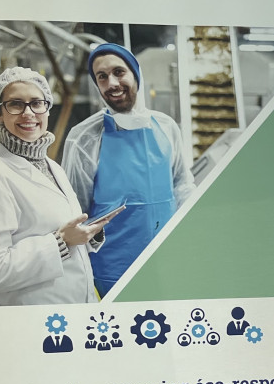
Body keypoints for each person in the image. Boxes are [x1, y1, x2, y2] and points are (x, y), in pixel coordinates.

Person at [0, 67, 113, 306]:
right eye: (15, 104)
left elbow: (54, 229)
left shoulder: (51, 166)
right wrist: (61, 242)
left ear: (47, 108)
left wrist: (84, 234)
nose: (28, 113)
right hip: (31, 320)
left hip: (74, 307)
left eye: (36, 103)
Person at [61, 43, 195, 295]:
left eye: (119, 72)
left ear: (135, 74)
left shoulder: (166, 127)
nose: (112, 83)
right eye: (102, 76)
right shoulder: (85, 138)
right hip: (112, 267)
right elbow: (74, 211)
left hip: (168, 259)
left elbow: (182, 185)